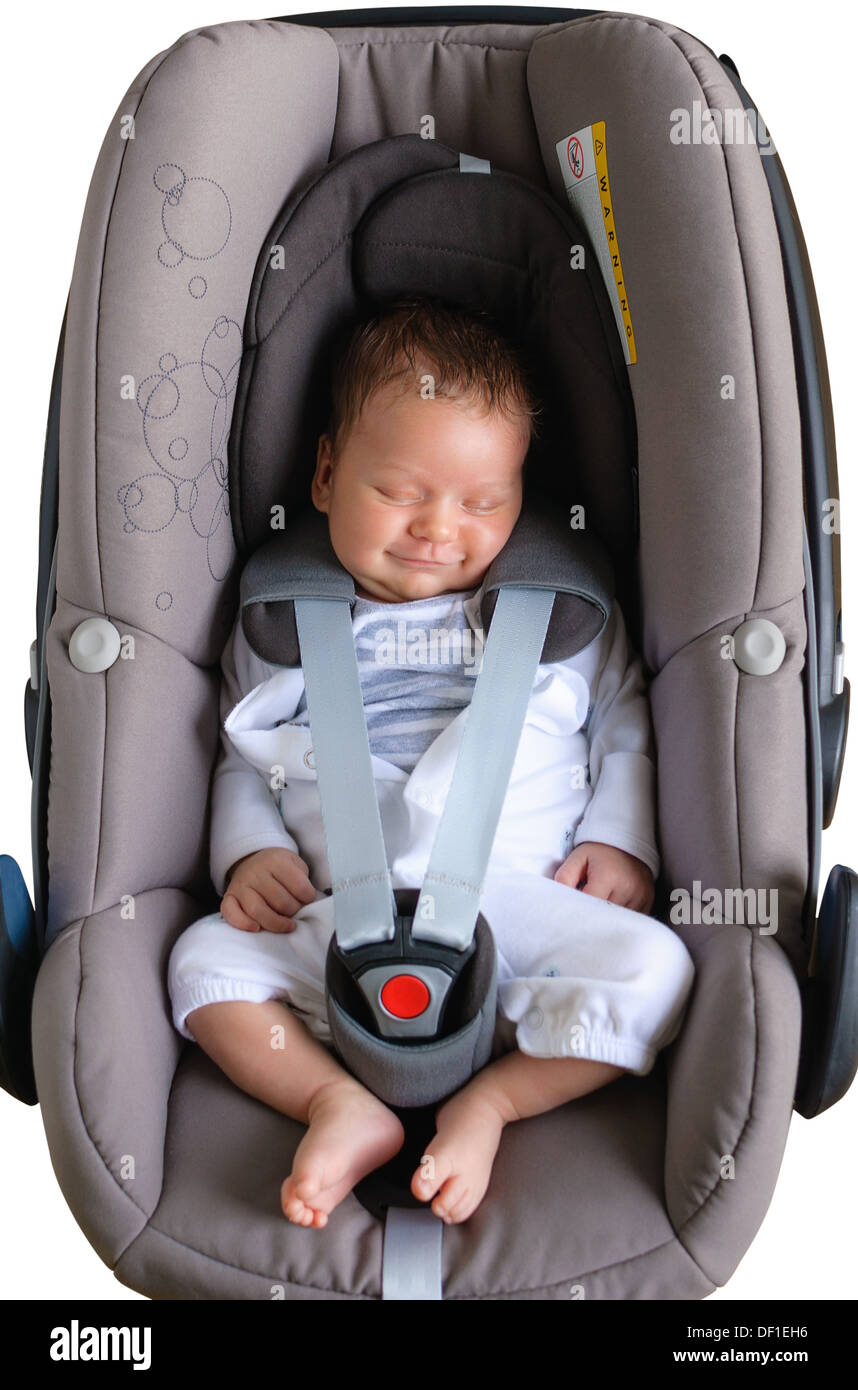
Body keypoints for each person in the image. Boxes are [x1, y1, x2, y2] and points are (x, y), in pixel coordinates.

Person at [167, 296, 695, 1230]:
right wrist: (249, 853)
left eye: (483, 503)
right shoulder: (284, 621)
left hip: (519, 906)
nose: (438, 528)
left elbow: (624, 722)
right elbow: (239, 754)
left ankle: (493, 1103)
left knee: (660, 969)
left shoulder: (559, 614)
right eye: (401, 492)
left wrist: (623, 839)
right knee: (199, 963)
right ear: (326, 474)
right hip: (336, 918)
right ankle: (336, 1101)